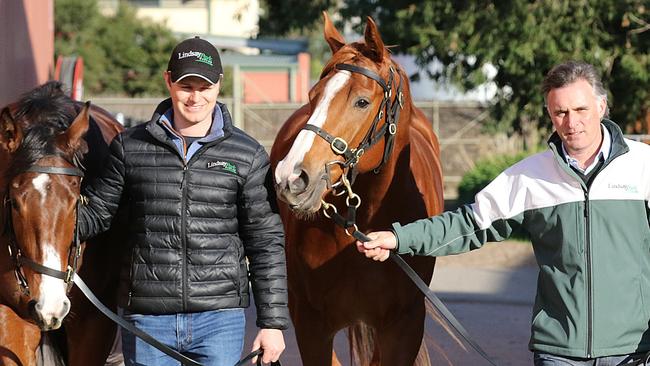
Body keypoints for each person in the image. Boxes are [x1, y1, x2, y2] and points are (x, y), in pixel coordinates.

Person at [357, 60, 650, 365]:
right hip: (560, 353)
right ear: (550, 115)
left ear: (601, 107)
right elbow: (468, 223)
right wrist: (398, 238)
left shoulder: (642, 165)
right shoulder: (530, 176)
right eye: (560, 113)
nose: (571, 122)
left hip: (633, 351)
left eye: (580, 110)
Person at [78, 36, 289, 365]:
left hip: (219, 321)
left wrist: (272, 323)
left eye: (204, 86)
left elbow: (265, 241)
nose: (195, 97)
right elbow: (96, 216)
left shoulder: (247, 155)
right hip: (148, 320)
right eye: (185, 85)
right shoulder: (129, 147)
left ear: (219, 84)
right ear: (168, 81)